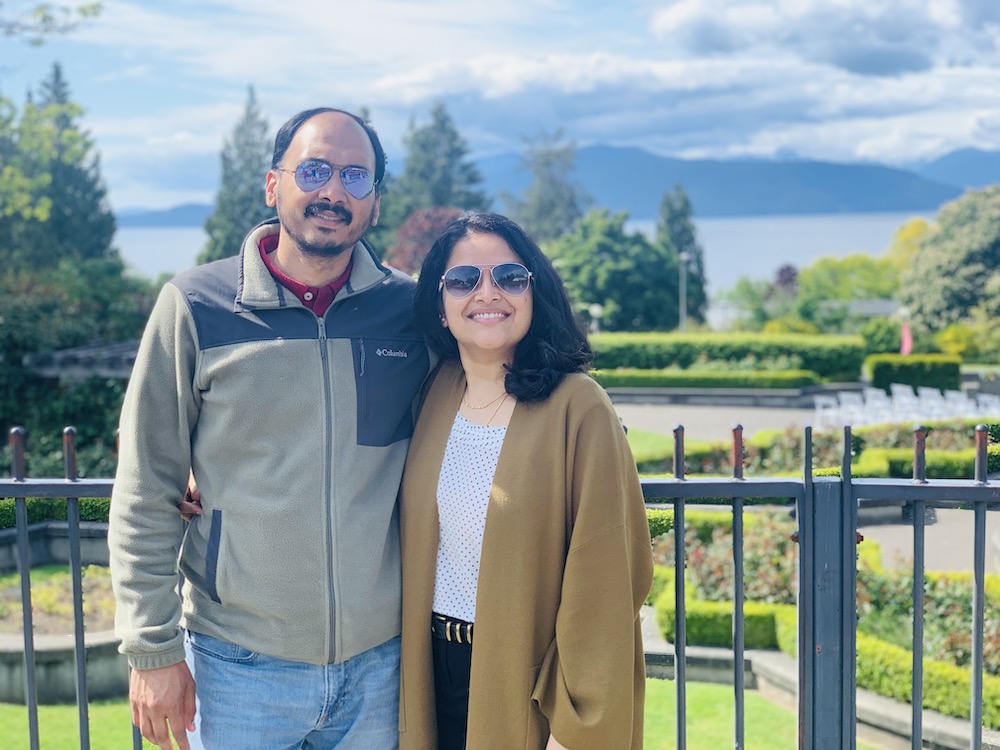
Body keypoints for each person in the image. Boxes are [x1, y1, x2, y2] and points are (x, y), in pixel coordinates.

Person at [108, 107, 432, 750]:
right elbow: (146, 486)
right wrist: (152, 648)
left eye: (355, 177)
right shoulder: (196, 305)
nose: (333, 191)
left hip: (382, 666)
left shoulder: (412, 311)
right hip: (238, 669)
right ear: (272, 185)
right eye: (313, 170)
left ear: (373, 204)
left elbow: (486, 397)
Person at [399, 213, 652, 749]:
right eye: (464, 280)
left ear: (535, 294)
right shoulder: (435, 394)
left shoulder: (578, 407)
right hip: (427, 674)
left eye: (510, 277)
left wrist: (577, 727)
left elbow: (609, 578)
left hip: (523, 682)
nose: (487, 293)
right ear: (440, 308)